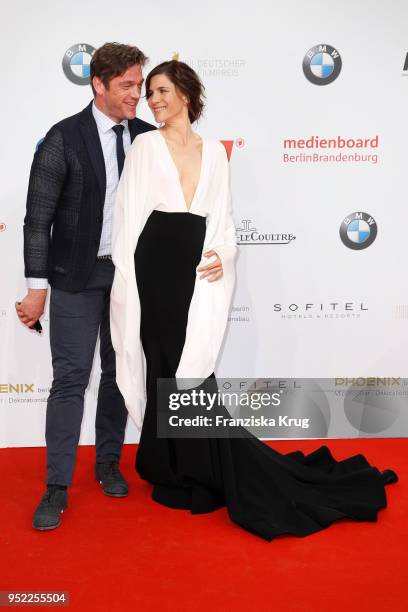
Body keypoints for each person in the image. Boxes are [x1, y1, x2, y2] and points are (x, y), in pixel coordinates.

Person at [110, 59, 398, 541]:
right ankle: (173, 470)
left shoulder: (215, 154)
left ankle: (196, 468)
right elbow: (127, 221)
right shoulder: (144, 145)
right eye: (149, 93)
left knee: (193, 366)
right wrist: (128, 285)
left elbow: (222, 221)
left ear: (185, 93)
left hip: (198, 270)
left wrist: (223, 254)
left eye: (161, 91)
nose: (152, 100)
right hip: (153, 268)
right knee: (162, 361)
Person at [17, 42, 155, 531]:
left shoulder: (147, 138)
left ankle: (108, 463)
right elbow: (38, 220)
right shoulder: (63, 138)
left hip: (128, 279)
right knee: (70, 380)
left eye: (140, 84)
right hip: (75, 278)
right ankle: (57, 485)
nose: (137, 95)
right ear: (98, 84)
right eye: (127, 86)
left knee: (119, 374)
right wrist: (37, 288)